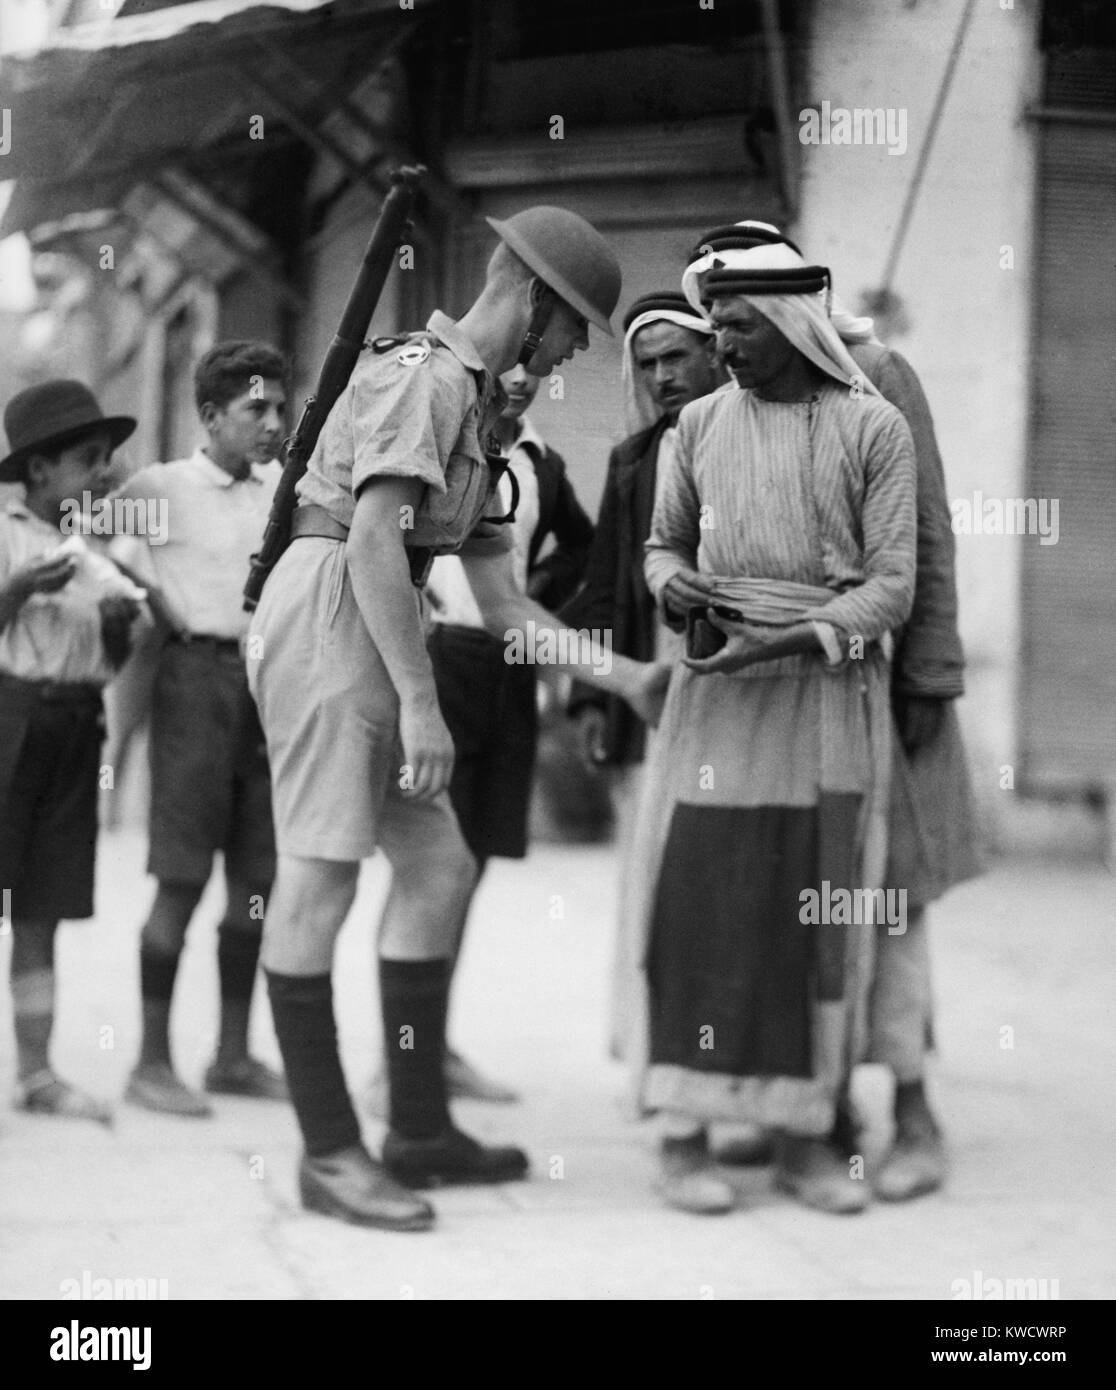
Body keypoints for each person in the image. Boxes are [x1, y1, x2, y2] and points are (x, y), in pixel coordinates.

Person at [247, 204, 668, 1231]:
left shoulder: (477, 410)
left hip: (384, 615)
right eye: (572, 331)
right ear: (532, 300)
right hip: (334, 606)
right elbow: (373, 543)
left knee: (439, 869)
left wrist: (629, 679)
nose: (569, 356)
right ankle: (331, 1154)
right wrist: (424, 704)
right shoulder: (421, 377)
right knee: (318, 879)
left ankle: (419, 1127)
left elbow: (507, 605)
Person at [684, 223, 982, 1200]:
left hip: (878, 684)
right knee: (792, 895)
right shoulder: (722, 391)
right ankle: (820, 1111)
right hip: (764, 703)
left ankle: (914, 1108)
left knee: (887, 895)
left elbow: (924, 532)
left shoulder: (876, 378)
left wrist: (928, 677)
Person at [635, 238, 916, 1216]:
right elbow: (662, 545)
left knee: (819, 908)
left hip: (829, 696)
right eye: (717, 327)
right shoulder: (698, 426)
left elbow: (892, 587)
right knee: (703, 900)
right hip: (716, 692)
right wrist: (673, 586)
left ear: (794, 325)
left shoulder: (874, 429)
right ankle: (682, 1131)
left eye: (741, 327)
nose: (725, 345)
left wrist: (795, 636)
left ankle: (806, 1137)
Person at [366, 361, 594, 1110]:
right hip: (445, 660)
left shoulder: (541, 461)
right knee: (430, 862)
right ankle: (396, 1058)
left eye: (539, 370)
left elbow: (585, 554)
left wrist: (549, 605)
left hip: (512, 664)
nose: (523, 382)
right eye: (508, 369)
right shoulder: (441, 448)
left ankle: (437, 1044)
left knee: (472, 865)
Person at [110, 342, 289, 1117]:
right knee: (181, 879)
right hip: (192, 683)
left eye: (281, 408)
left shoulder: (282, 490)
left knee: (257, 883)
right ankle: (150, 1063)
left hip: (268, 687)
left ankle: (233, 1055)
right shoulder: (163, 489)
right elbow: (70, 527)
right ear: (210, 415)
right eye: (257, 409)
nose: (274, 423)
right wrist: (148, 592)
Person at [562, 291, 722, 1062]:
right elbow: (599, 583)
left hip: (738, 683)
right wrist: (594, 694)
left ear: (715, 353)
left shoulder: (744, 440)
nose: (662, 376)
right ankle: (653, 1048)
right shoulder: (631, 460)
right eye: (647, 363)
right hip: (652, 690)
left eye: (676, 357)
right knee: (651, 871)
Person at [0, 380, 143, 1124]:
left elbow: (108, 662)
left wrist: (120, 625)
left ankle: (36, 1074)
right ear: (39, 471)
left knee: (41, 910)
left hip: (75, 727)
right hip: (10, 720)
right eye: (89, 459)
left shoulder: (97, 550)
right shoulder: (7, 536)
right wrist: (16, 591)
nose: (103, 474)